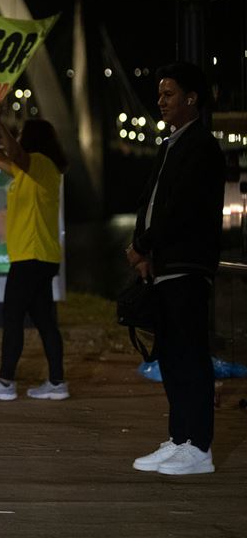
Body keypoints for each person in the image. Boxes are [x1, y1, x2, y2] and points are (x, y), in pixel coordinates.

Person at [127, 62, 223, 476]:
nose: (160, 101)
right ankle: (179, 438)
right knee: (170, 356)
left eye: (168, 94)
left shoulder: (202, 147)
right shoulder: (170, 146)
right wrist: (141, 247)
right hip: (164, 266)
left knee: (190, 356)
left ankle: (198, 447)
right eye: (160, 94)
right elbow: (151, 202)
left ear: (191, 98)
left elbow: (181, 208)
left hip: (186, 264)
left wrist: (144, 243)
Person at [0, 110, 69, 403]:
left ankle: (5, 381)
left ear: (33, 140)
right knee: (44, 321)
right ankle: (56, 382)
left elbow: (13, 151)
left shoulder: (39, 163)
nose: (20, 140)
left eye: (24, 135)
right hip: (41, 257)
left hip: (31, 257)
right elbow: (2, 160)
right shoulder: (35, 171)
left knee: (12, 316)